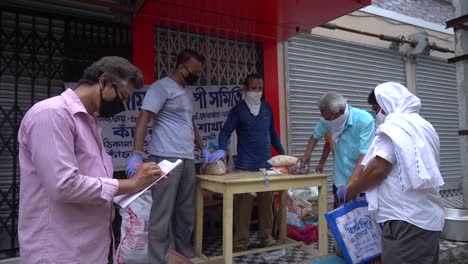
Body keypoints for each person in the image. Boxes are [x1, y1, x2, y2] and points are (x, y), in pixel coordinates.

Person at [18, 56, 162, 263]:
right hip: (58, 251)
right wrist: (130, 183)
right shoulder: (52, 114)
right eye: (122, 96)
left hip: (89, 249)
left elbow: (94, 181)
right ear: (103, 82)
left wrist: (138, 184)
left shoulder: (89, 122)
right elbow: (64, 185)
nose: (123, 106)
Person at [337, 82, 445, 264]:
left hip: (406, 220)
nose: (376, 116)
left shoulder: (396, 127)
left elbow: (377, 169)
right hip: (425, 217)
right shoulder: (423, 125)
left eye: (377, 109)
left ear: (388, 105)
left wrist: (351, 190)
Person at [126, 49, 210, 263]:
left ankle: (182, 254)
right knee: (162, 211)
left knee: (185, 210)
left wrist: (203, 149)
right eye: (194, 71)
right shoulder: (160, 87)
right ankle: (156, 259)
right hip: (165, 157)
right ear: (181, 66)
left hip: (187, 158)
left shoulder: (186, 91)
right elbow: (144, 117)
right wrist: (137, 153)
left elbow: (189, 123)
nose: (196, 75)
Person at [209, 74, 285, 251]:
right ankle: (241, 241)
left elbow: (272, 132)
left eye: (260, 89)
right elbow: (225, 132)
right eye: (253, 88)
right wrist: (222, 149)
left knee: (267, 204)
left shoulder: (267, 108)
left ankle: (266, 237)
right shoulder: (239, 111)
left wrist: (281, 152)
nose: (257, 92)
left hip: (265, 167)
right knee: (244, 205)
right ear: (245, 88)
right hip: (245, 168)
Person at [297, 92, 375, 207]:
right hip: (339, 181)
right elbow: (315, 136)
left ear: (342, 111)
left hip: (361, 182)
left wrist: (351, 184)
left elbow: (364, 154)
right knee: (340, 221)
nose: (325, 121)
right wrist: (307, 154)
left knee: (363, 222)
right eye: (323, 118)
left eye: (328, 118)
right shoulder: (327, 120)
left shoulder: (364, 120)